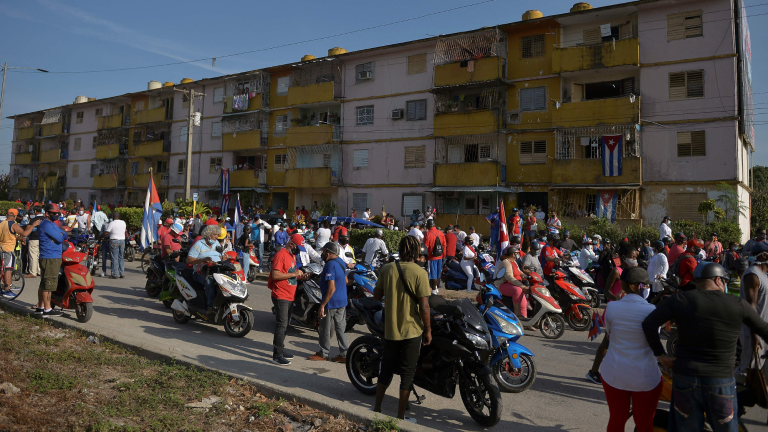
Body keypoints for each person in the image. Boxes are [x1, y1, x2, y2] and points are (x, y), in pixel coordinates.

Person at [642, 262, 768, 432]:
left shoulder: (679, 300)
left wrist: (661, 355)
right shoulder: (737, 303)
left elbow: (649, 324)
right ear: (718, 280)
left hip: (685, 378)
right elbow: (764, 329)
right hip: (721, 381)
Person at [372, 236, 431, 422]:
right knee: (407, 373)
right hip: (412, 331)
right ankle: (399, 417)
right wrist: (428, 330)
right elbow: (424, 308)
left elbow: (376, 295)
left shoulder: (387, 268)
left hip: (390, 330)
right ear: (416, 252)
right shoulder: (420, 273)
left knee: (386, 370)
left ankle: (377, 408)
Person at [600, 266, 662, 432]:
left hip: (614, 374)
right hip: (645, 377)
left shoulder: (612, 307)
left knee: (616, 419)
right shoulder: (652, 311)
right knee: (644, 423)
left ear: (625, 285)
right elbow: (653, 340)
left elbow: (609, 334)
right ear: (641, 287)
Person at [586, 244, 638, 384]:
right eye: (632, 257)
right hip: (615, 309)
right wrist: (617, 298)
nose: (634, 260)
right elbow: (606, 291)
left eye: (636, 257)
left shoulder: (635, 272)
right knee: (607, 342)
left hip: (629, 310)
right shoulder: (617, 271)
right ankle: (594, 372)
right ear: (623, 257)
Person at [269, 234, 309, 366]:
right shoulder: (280, 255)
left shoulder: (292, 255)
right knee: (281, 324)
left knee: (286, 325)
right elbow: (275, 275)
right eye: (298, 247)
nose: (299, 251)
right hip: (281, 295)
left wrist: (300, 277)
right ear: (291, 244)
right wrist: (294, 274)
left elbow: (291, 274)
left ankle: (281, 349)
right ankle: (277, 355)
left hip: (289, 295)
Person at [308, 242, 349, 362]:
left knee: (324, 328)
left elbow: (331, 288)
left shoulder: (330, 265)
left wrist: (322, 305)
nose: (323, 254)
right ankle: (344, 354)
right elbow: (346, 280)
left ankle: (323, 353)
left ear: (329, 253)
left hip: (331, 302)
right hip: (342, 301)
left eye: (324, 251)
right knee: (340, 328)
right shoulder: (340, 262)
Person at [737, 242, 768, 378]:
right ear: (764, 255)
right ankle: (724, 391)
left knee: (760, 371)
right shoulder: (753, 275)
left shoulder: (763, 275)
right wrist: (754, 335)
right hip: (753, 333)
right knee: (749, 367)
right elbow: (751, 308)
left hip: (763, 331)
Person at [33, 204, 67, 316]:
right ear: (47, 213)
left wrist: (61, 236)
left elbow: (64, 234)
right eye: (54, 213)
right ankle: (47, 309)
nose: (56, 215)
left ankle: (40, 307)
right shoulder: (46, 224)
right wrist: (60, 236)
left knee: (44, 283)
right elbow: (60, 237)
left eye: (58, 213)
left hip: (50, 257)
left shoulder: (51, 224)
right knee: (49, 284)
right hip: (50, 257)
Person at [0, 209, 40, 296]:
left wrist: (20, 238)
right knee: (8, 269)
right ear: (15, 216)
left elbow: (12, 235)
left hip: (1, 249)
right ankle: (7, 289)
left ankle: (9, 285)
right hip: (8, 250)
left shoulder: (2, 223)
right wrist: (33, 225)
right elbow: (25, 233)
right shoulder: (13, 224)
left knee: (4, 269)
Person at [187, 225, 224, 316]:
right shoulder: (199, 244)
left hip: (217, 271)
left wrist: (224, 257)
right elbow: (189, 260)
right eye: (215, 234)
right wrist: (202, 260)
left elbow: (221, 256)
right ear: (208, 235)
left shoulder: (216, 244)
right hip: (201, 273)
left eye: (217, 235)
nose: (217, 237)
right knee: (209, 282)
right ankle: (210, 307)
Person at [497, 246, 527, 318]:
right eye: (517, 253)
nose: (518, 255)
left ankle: (525, 322)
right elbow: (510, 278)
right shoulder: (506, 262)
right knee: (518, 290)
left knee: (524, 303)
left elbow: (519, 272)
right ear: (512, 254)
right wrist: (523, 286)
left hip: (514, 284)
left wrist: (527, 276)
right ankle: (517, 313)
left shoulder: (514, 262)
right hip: (503, 284)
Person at [423, 219, 446, 296]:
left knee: (432, 274)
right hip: (440, 256)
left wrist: (423, 256)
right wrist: (443, 255)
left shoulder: (428, 234)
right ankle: (436, 288)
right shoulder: (441, 233)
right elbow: (444, 245)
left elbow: (425, 246)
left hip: (431, 257)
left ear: (428, 225)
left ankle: (433, 290)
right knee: (438, 273)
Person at [100, 212, 127, 279]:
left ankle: (115, 274)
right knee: (121, 257)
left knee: (114, 258)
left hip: (114, 241)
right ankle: (122, 273)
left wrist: (100, 237)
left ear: (113, 217)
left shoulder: (112, 223)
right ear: (119, 216)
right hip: (122, 241)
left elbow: (106, 232)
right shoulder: (123, 222)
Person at [25, 206, 45, 278]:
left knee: (33, 255)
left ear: (35, 211)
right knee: (40, 255)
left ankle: (33, 272)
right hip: (43, 239)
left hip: (34, 238)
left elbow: (28, 228)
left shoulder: (34, 219)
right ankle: (40, 271)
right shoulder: (45, 219)